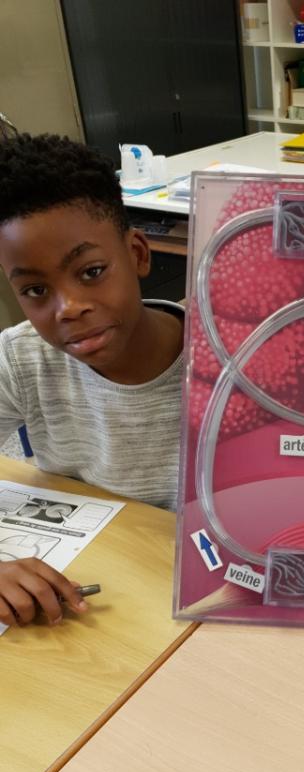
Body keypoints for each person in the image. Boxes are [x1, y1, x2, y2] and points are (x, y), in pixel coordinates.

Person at [0, 133, 184, 627]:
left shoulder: (231, 360)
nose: (69, 307)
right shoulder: (22, 357)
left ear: (138, 254)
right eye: (35, 290)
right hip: (91, 601)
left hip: (193, 593)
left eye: (91, 272)